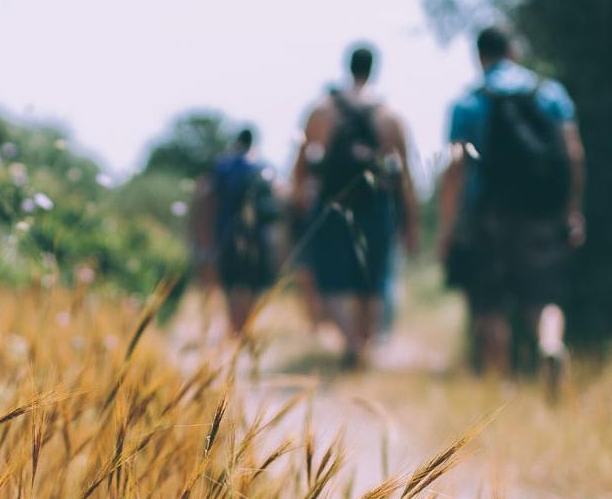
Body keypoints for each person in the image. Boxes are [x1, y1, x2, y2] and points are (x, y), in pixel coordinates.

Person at [437, 26, 586, 390]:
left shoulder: (468, 102)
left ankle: (498, 388)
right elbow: (573, 154)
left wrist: (448, 228)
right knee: (542, 295)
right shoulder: (549, 94)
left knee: (490, 302)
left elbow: (456, 171)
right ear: (514, 51)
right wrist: (572, 209)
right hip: (541, 210)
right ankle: (550, 345)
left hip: (488, 213)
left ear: (479, 56)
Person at [292, 44, 420, 368]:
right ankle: (363, 345)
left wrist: (297, 207)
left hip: (332, 204)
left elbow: (301, 167)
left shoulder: (322, 110)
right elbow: (405, 176)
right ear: (374, 68)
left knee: (332, 279)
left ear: (347, 67)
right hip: (377, 205)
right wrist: (411, 223)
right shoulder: (389, 116)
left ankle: (352, 343)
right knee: (371, 280)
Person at [196, 128, 281, 336]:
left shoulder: (223, 166)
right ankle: (245, 325)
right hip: (259, 236)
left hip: (227, 234)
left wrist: (204, 237)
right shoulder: (263, 166)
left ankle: (235, 327)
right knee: (252, 283)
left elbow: (208, 200)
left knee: (232, 283)